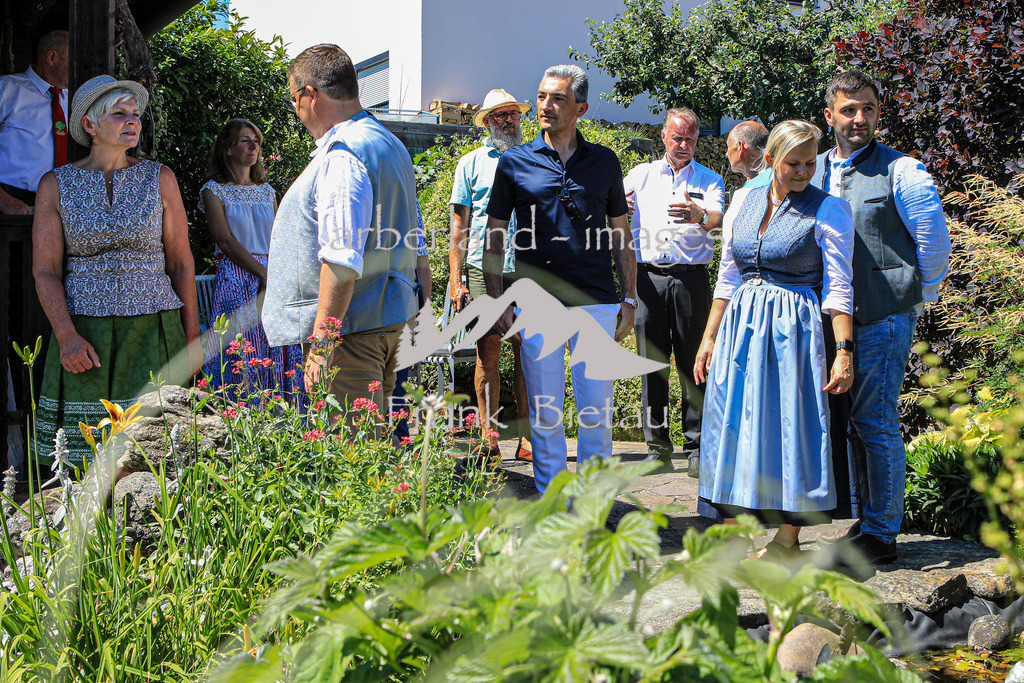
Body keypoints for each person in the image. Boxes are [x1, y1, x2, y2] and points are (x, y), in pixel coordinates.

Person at [693, 120, 855, 559]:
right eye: (793, 164)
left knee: (792, 428)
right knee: (733, 423)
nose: (803, 172)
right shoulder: (744, 199)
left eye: (809, 163)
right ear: (769, 161)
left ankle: (787, 538)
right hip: (740, 329)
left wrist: (843, 352)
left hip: (795, 332)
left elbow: (839, 289)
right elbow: (727, 277)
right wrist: (708, 339)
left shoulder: (830, 209)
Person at [813, 70, 951, 566]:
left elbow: (934, 243)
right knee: (852, 422)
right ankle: (867, 517)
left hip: (883, 316)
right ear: (830, 115)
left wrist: (914, 295)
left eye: (868, 108)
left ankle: (883, 534)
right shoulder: (815, 168)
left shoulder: (902, 170)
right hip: (833, 319)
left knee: (875, 420)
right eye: (849, 109)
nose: (859, 118)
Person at [32, 75, 200, 464]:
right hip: (85, 338)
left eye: (136, 114)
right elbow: (45, 270)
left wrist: (193, 339)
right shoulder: (55, 185)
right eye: (119, 114)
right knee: (82, 459)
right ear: (89, 125)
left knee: (155, 452)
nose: (132, 122)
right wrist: (66, 335)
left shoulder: (160, 177)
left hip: (153, 329)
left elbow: (181, 262)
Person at [484, 64, 635, 494]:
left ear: (581, 108)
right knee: (546, 415)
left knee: (596, 415)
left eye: (557, 99)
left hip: (597, 302)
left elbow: (621, 235)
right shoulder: (514, 162)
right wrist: (497, 301)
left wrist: (631, 297)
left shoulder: (604, 162)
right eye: (541, 96)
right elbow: (494, 238)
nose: (544, 106)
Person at [262, 44, 418, 417]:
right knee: (380, 449)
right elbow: (416, 236)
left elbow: (341, 259)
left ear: (311, 95)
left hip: (352, 335)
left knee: (351, 456)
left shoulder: (344, 153)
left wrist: (321, 345)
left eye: (294, 99)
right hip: (390, 320)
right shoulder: (389, 143)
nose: (296, 110)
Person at [624, 107, 724, 476]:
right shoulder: (640, 175)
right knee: (652, 364)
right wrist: (617, 206)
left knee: (692, 365)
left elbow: (718, 221)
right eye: (677, 137)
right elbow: (612, 211)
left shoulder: (711, 179)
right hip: (648, 279)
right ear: (663, 137)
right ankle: (656, 448)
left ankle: (696, 446)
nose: (683, 145)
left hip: (691, 280)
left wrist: (700, 215)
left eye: (691, 139)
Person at [448, 88, 533, 462]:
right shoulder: (471, 164)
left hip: (528, 270)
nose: (508, 120)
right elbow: (458, 230)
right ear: (487, 122)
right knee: (488, 352)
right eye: (499, 115)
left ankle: (528, 438)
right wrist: (455, 278)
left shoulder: (536, 160)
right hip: (485, 269)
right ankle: (488, 433)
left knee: (528, 353)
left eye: (513, 114)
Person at [199, 118, 304, 403]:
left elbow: (279, 237)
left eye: (256, 140)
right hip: (236, 273)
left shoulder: (266, 191)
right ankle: (238, 408)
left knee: (277, 345)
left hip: (272, 270)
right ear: (227, 149)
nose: (253, 146)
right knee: (243, 346)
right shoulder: (213, 190)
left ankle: (285, 411)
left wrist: (276, 275)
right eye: (246, 140)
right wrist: (263, 273)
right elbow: (225, 241)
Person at [0, 29, 68, 213]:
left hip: (57, 211)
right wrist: (4, 201)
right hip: (9, 209)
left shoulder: (73, 100)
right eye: (73, 59)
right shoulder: (8, 89)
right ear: (52, 57)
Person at [725, 120, 772, 189]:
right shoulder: (779, 178)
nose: (726, 154)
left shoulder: (750, 190)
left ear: (740, 147)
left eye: (729, 146)